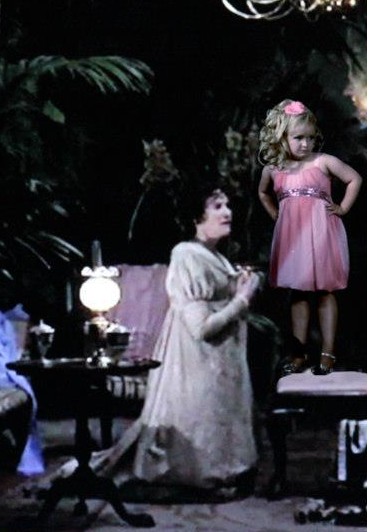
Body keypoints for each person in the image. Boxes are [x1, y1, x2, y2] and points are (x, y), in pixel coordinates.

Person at [105, 185, 261, 496]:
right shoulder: (186, 255)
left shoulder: (216, 256)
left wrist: (240, 285)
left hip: (220, 358)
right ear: (196, 218)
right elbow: (201, 328)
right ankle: (198, 474)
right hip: (196, 359)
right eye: (217, 206)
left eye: (227, 205)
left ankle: (222, 470)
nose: (227, 212)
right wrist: (243, 298)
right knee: (198, 422)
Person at [257, 99, 362, 376]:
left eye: (310, 138)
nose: (305, 144)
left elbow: (354, 179)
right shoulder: (274, 168)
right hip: (293, 237)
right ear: (282, 137)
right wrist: (276, 214)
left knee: (325, 291)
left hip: (321, 233)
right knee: (298, 292)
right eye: (298, 138)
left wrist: (343, 208)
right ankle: (298, 352)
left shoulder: (323, 161)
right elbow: (263, 192)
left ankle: (328, 352)